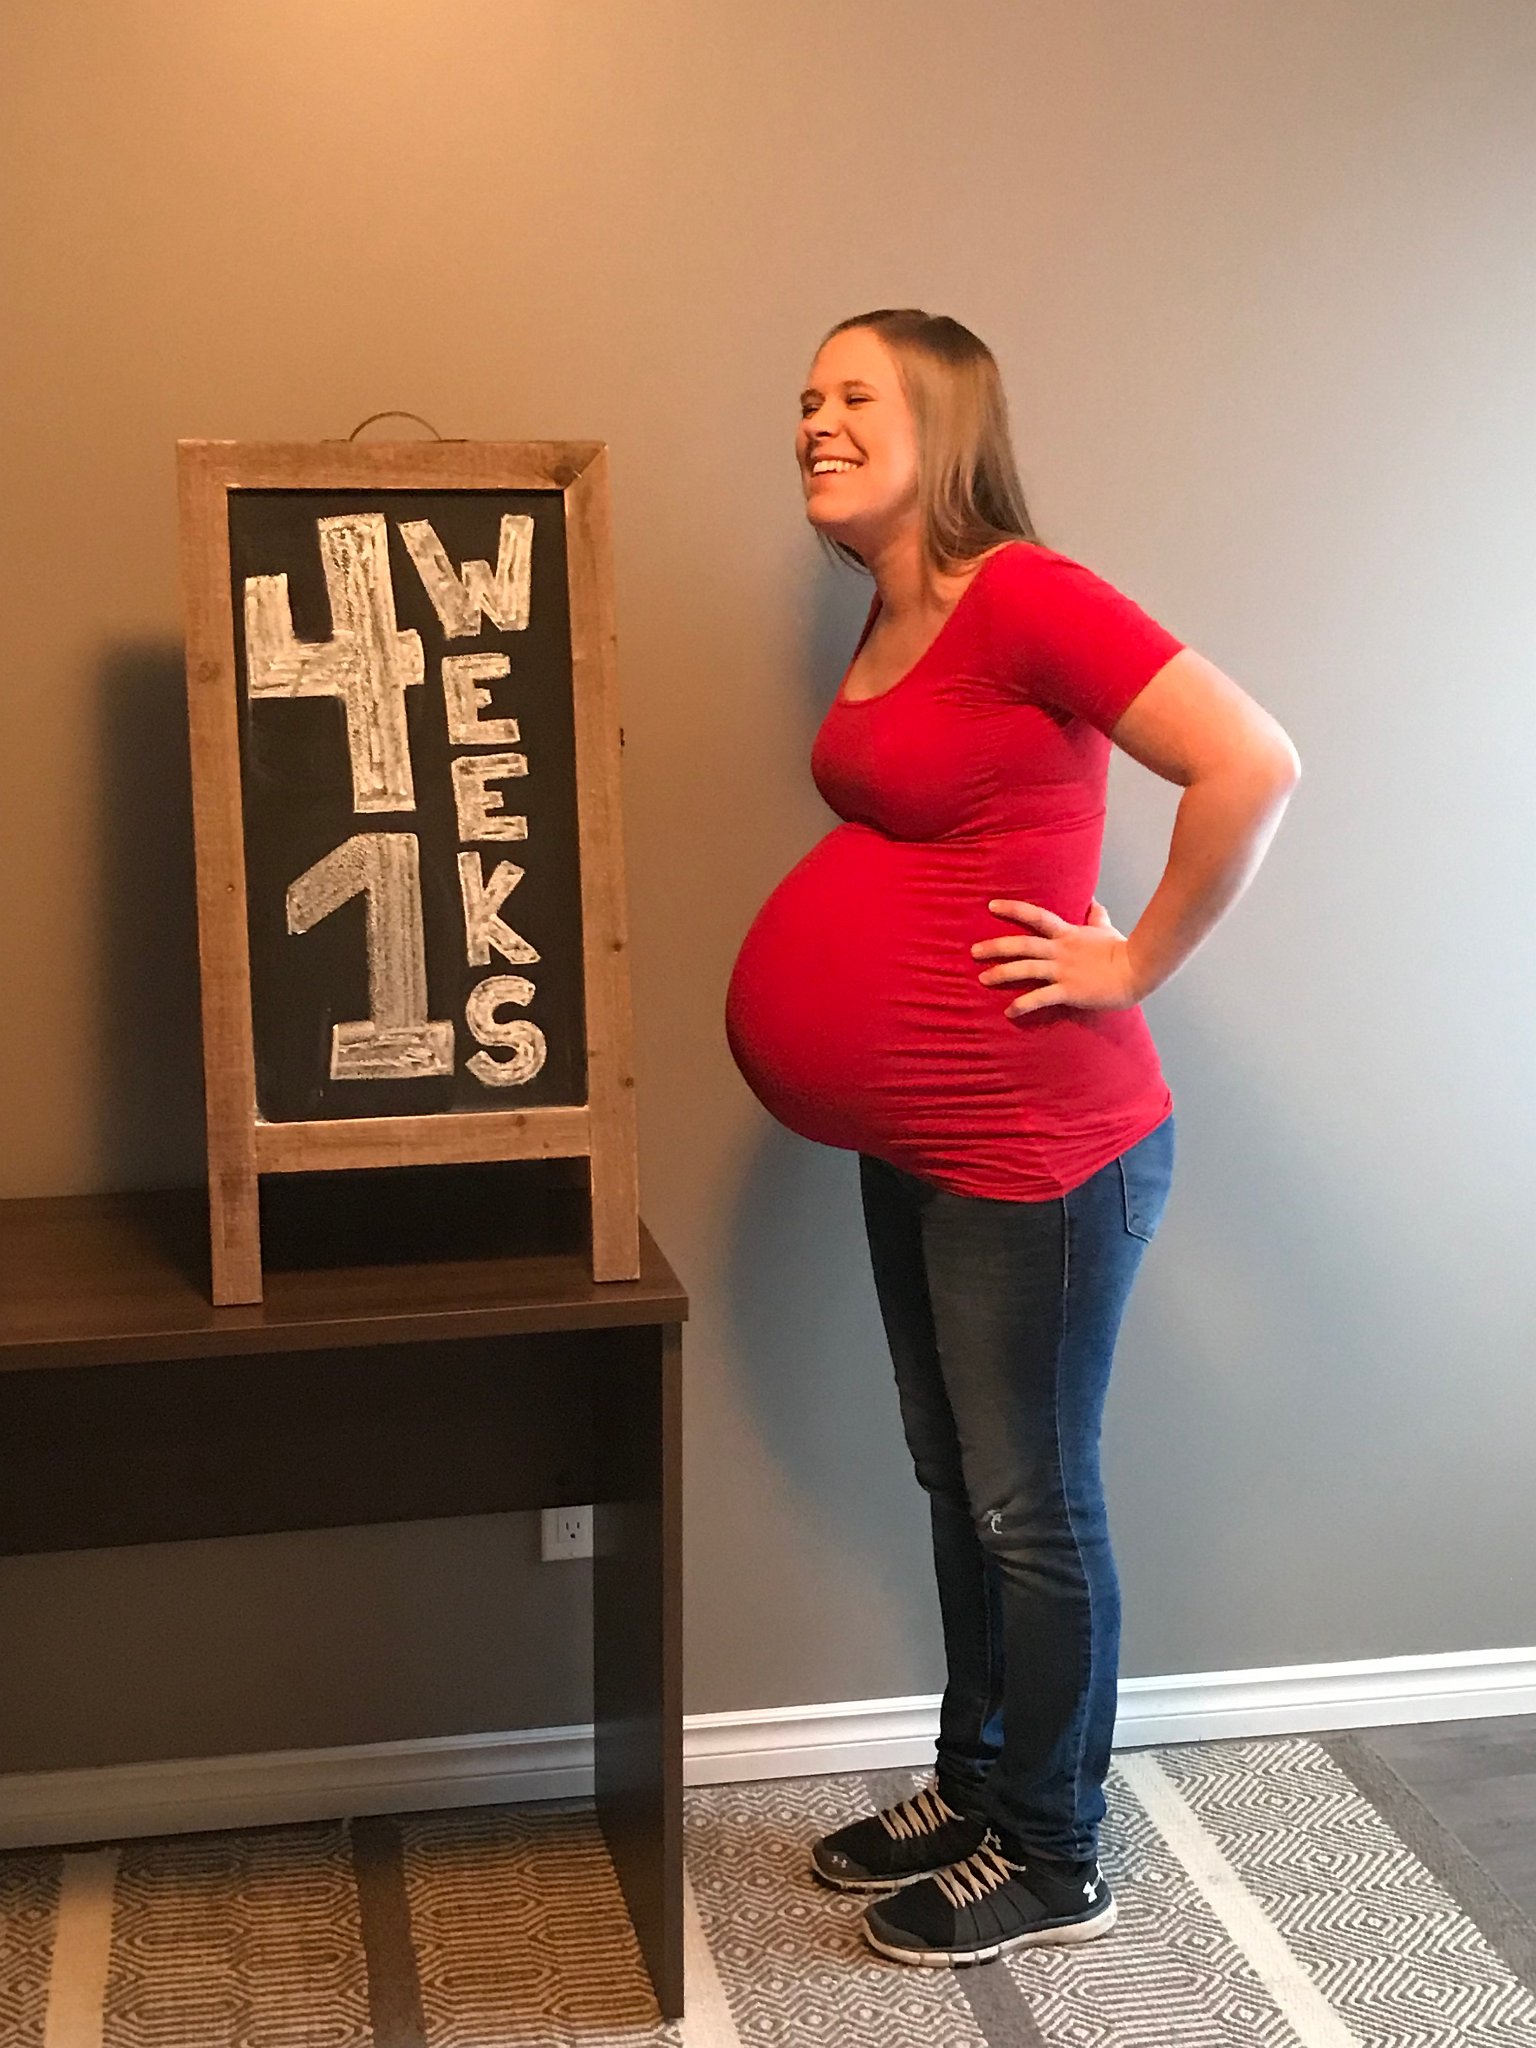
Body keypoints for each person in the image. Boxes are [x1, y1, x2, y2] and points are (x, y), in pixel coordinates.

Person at [725, 308, 1300, 1969]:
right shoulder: (894, 608)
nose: (815, 422)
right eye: (806, 399)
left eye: (853, 396)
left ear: (947, 422)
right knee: (957, 1478)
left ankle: (1054, 1853)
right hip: (919, 1135)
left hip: (1039, 1149)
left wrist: (1132, 961)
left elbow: (1249, 761)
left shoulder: (1027, 594)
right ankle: (977, 1784)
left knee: (1030, 1506)